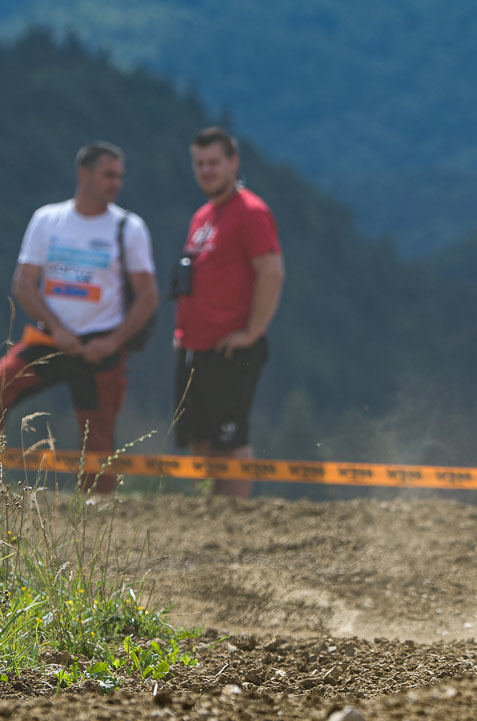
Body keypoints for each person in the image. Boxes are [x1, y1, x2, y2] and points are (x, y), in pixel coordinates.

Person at [0, 142, 157, 494]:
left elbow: (148, 296)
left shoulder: (129, 227)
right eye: (108, 175)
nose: (115, 183)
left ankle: (95, 511)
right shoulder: (47, 220)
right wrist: (58, 330)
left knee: (98, 436)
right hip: (47, 339)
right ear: (83, 174)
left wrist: (112, 342)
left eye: (119, 176)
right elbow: (23, 284)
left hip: (100, 347)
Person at [174, 127, 284, 500]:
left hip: (230, 348)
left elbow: (272, 272)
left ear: (233, 163)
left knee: (230, 440)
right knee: (199, 437)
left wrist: (252, 332)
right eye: (199, 163)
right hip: (192, 348)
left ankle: (234, 519)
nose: (206, 171)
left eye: (214, 163)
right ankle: (207, 513)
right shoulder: (203, 216)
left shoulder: (250, 212)